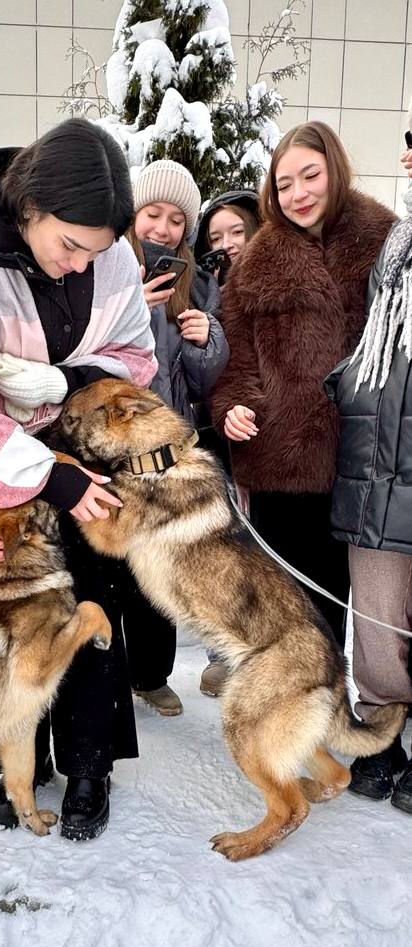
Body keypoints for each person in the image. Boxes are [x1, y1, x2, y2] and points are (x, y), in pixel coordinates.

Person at [0, 118, 158, 840]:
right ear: (30, 208)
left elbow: (135, 359)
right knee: (9, 622)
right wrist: (42, 472)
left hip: (86, 464)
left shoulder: (107, 261)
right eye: (69, 245)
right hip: (1, 474)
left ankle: (88, 763)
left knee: (90, 602)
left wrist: (66, 380)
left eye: (98, 252)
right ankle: (21, 767)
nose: (82, 264)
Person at [209, 121, 396, 649]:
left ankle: (370, 713)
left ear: (334, 168)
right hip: (284, 463)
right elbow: (237, 363)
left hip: (371, 461)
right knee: (296, 613)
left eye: (309, 175)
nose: (297, 194)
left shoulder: (387, 241)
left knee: (376, 612)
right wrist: (235, 407)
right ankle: (305, 721)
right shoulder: (254, 266)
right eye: (283, 183)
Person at [121, 159, 229, 716]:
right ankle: (110, 676)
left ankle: (151, 673)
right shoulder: (110, 270)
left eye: (175, 220)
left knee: (157, 568)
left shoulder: (197, 282)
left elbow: (205, 382)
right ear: (134, 215)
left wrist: (205, 339)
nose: (162, 229)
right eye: (152, 214)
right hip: (118, 452)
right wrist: (134, 311)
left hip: (170, 452)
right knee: (113, 568)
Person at [324, 146, 412, 811]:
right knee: (377, 621)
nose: (407, 158)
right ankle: (382, 732)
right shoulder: (394, 250)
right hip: (376, 462)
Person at [193, 188, 261, 698]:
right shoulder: (201, 287)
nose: (228, 244)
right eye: (216, 236)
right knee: (225, 546)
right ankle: (224, 651)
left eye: (237, 231)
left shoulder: (272, 281)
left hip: (266, 432)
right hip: (216, 430)